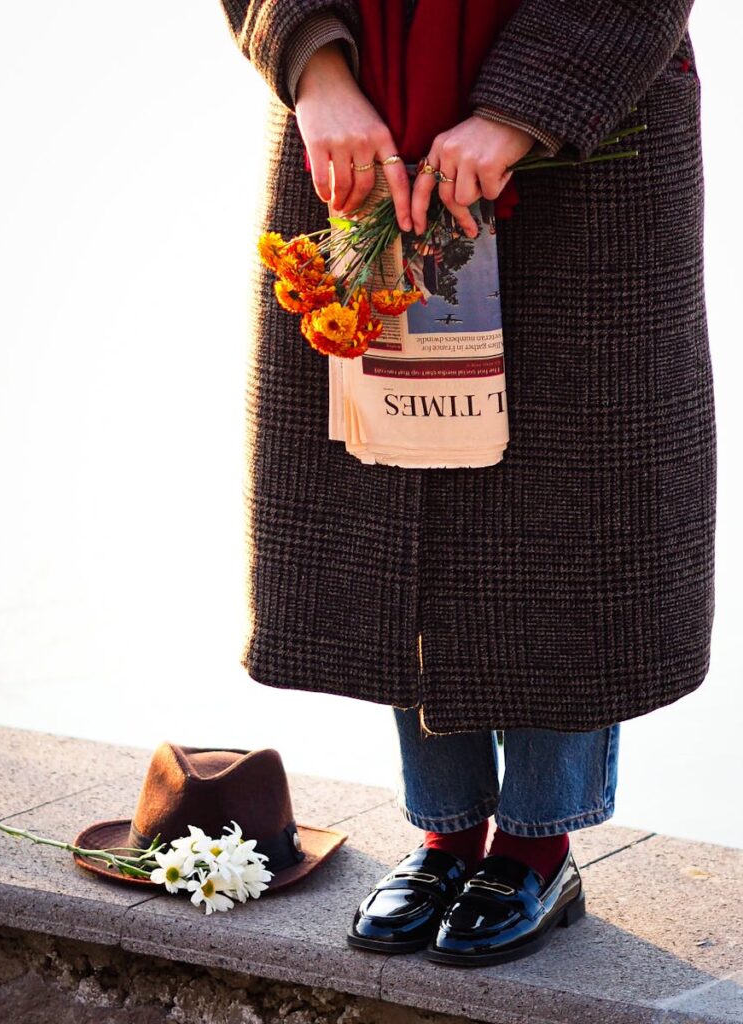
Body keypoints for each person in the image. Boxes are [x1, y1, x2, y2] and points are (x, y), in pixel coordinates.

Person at [220, 0, 715, 966]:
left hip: (584, 133)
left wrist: (519, 110)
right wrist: (317, 75)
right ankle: (447, 832)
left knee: (570, 497)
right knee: (391, 462)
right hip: (356, 127)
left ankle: (538, 843)